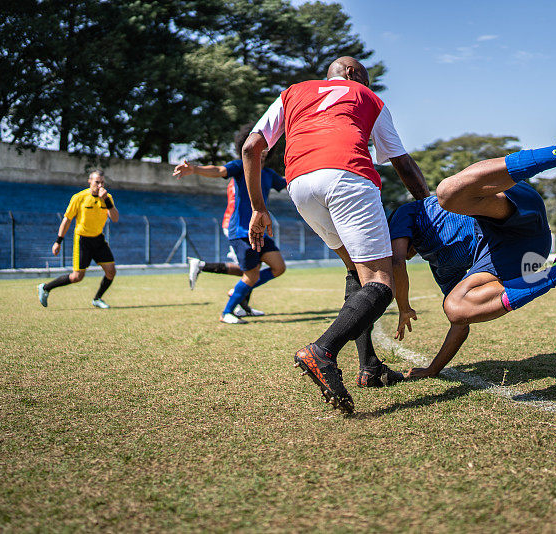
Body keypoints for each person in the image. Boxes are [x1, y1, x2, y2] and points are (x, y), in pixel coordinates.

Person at [242, 56, 430, 413]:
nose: (367, 86)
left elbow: (252, 148)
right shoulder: (367, 97)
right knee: (381, 282)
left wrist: (258, 208)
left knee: (355, 272)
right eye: (366, 79)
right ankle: (322, 351)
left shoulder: (292, 93)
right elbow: (401, 162)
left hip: (300, 185)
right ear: (351, 74)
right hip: (348, 178)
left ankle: (369, 368)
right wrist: (430, 204)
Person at [389, 116, 556, 378]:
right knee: (455, 307)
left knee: (447, 193)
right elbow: (461, 323)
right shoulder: (441, 267)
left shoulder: (407, 214)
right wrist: (432, 369)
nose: (398, 253)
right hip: (525, 251)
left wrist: (403, 306)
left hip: (515, 212)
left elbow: (395, 262)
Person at [173, 123, 287, 324]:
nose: (262, 150)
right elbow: (218, 170)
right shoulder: (240, 167)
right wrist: (195, 169)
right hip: (242, 231)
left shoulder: (269, 175)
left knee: (278, 268)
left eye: (266, 146)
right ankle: (227, 312)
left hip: (260, 231)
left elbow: (287, 183)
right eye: (259, 145)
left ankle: (239, 291)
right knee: (250, 275)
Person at [37, 170, 119, 309]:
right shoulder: (79, 197)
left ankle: (97, 299)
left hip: (98, 240)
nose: (100, 185)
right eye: (96, 182)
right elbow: (67, 220)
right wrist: (58, 241)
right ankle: (45, 288)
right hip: (83, 241)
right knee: (77, 277)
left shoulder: (107, 197)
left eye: (102, 182)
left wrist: (106, 200)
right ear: (89, 182)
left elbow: (115, 218)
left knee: (111, 271)